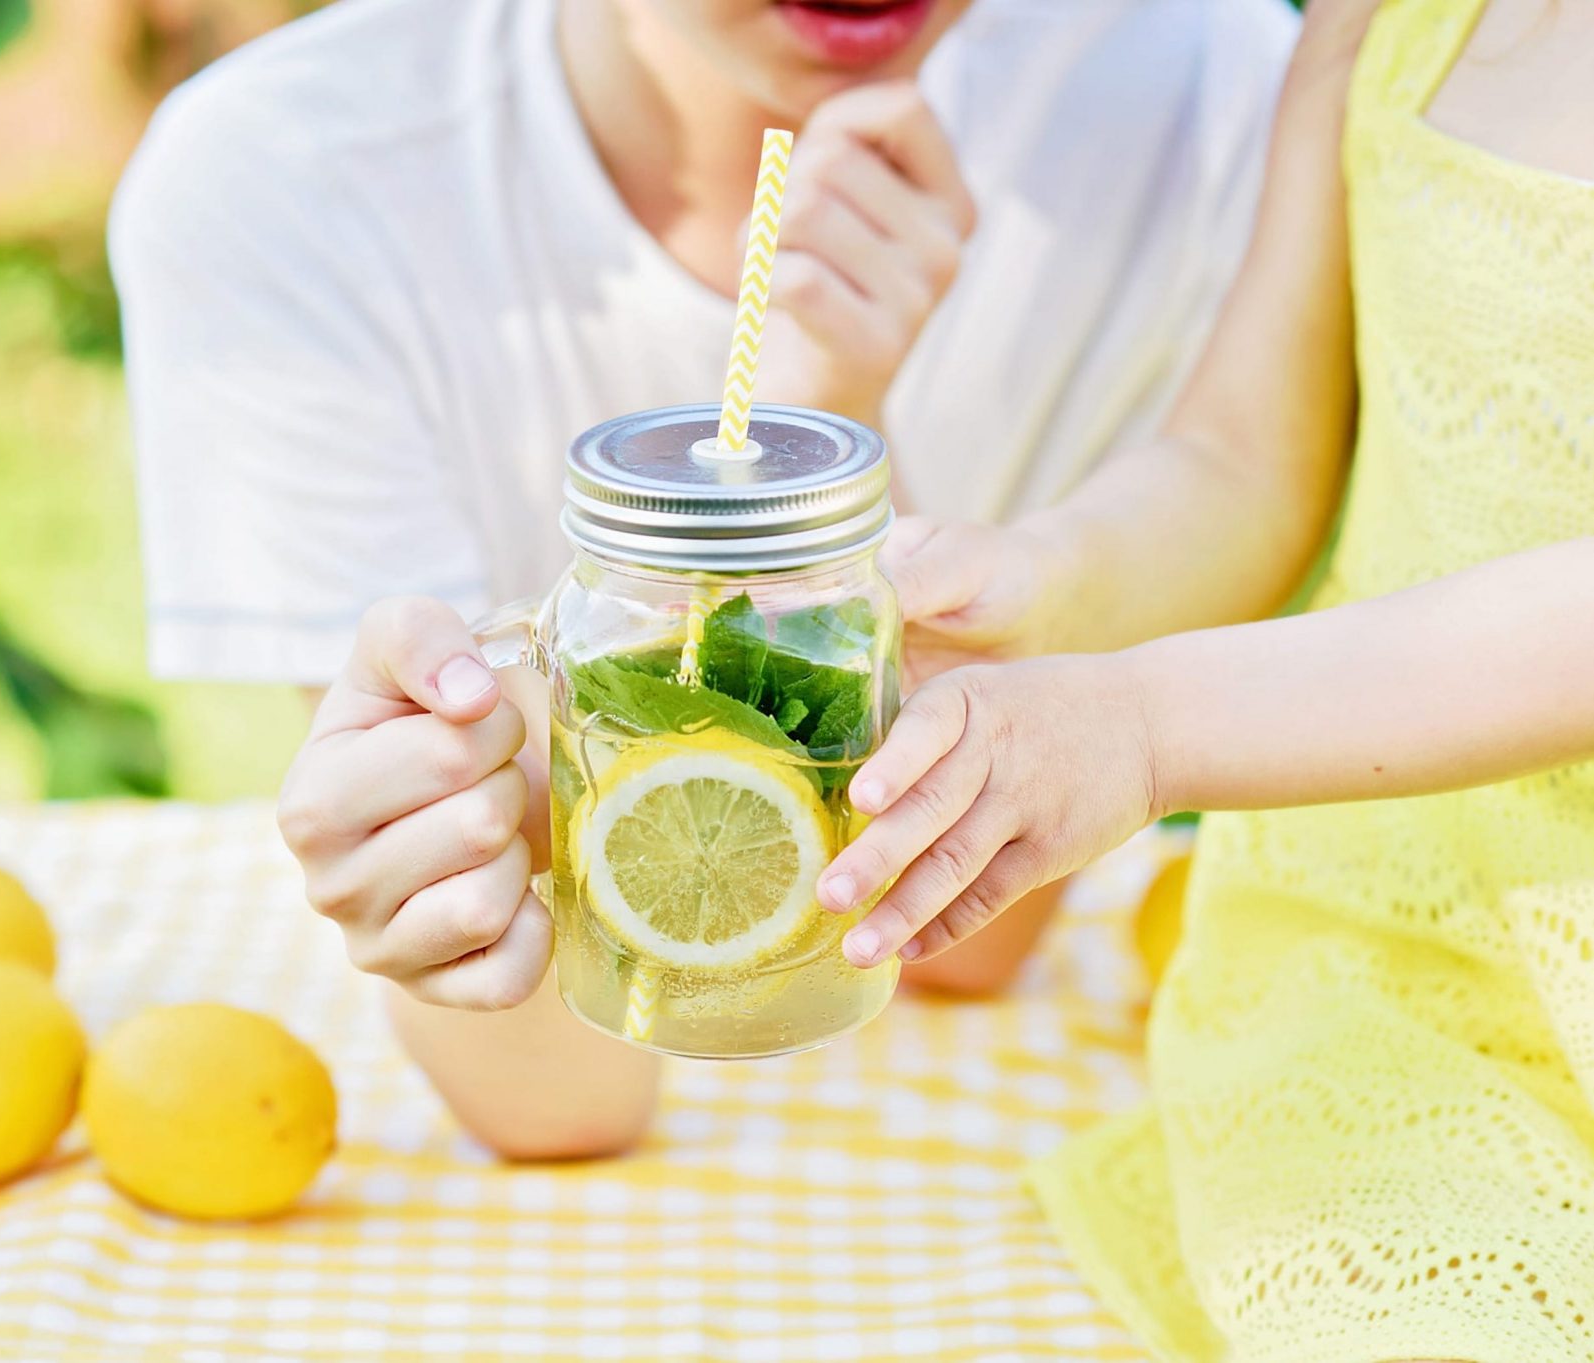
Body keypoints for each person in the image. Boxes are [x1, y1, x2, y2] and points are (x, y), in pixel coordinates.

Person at [113, 0, 1296, 1157]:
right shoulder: (283, 179)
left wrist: (825, 447)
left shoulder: (1200, 89)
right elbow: (561, 1097)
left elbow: (964, 939)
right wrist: (799, 427)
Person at [799, 0, 1594, 1354]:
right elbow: (1247, 460)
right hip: (1398, 969)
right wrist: (1046, 583)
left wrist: (1152, 719)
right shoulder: (1384, 22)